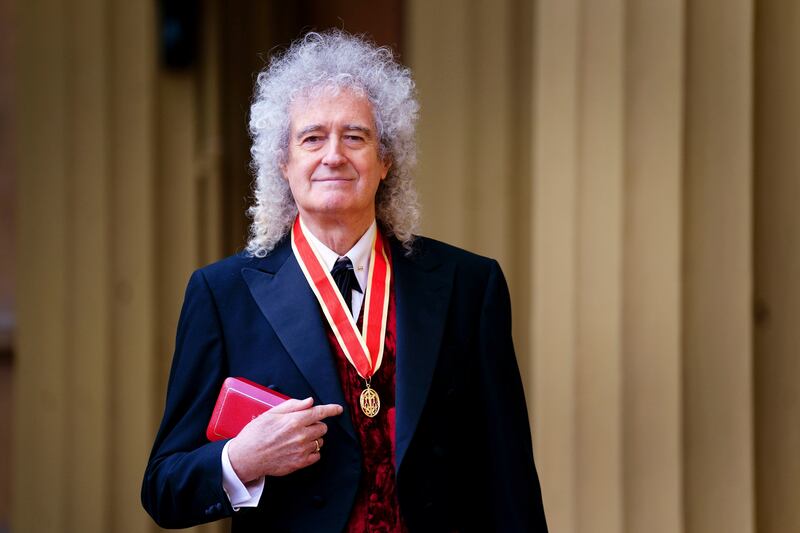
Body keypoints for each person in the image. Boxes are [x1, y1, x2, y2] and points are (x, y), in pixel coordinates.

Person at [142, 30, 548, 532]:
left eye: (355, 136)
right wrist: (241, 459)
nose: (333, 155)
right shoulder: (222, 294)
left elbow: (510, 483)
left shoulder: (470, 285)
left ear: (385, 161)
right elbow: (163, 487)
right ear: (283, 164)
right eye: (312, 138)